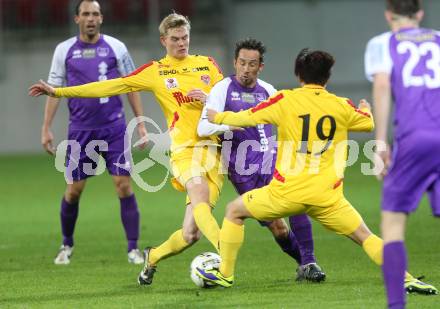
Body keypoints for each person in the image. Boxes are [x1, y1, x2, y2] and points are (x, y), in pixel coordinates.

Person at [195, 49, 436, 295]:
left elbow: (248, 117)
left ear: (299, 74)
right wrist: (366, 109)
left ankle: (225, 275)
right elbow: (367, 123)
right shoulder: (341, 105)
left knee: (234, 211)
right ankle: (406, 278)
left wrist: (218, 115)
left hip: (286, 193)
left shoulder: (285, 100)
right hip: (327, 197)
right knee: (365, 236)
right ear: (327, 77)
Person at [29, 13, 225, 285]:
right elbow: (109, 86)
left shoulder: (207, 65)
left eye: (185, 38)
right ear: (163, 40)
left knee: (190, 234)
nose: (182, 43)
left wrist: (211, 100)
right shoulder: (155, 71)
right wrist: (60, 92)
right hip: (184, 151)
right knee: (198, 193)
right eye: (175, 39)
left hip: (213, 152)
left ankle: (152, 257)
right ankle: (226, 255)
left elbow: (228, 102)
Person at [197, 38, 324, 282]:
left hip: (272, 159)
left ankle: (310, 262)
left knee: (296, 201)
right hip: (243, 170)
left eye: (252, 64)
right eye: (242, 63)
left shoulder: (268, 90)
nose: (246, 68)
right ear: (235, 63)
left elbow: (289, 119)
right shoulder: (222, 89)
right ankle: (302, 263)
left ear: (260, 67)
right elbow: (203, 126)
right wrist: (229, 125)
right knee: (277, 226)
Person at [39, 0, 147, 265]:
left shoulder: (116, 47)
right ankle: (66, 244)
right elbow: (54, 90)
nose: (91, 18)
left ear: (101, 18)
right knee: (74, 190)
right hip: (80, 130)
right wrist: (46, 128)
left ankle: (133, 248)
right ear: (77, 19)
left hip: (114, 128)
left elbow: (131, 85)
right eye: (85, 14)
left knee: (123, 185)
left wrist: (141, 123)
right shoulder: (64, 50)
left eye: (95, 14)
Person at [364, 0, 440, 307]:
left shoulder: (382, 43)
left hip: (415, 139)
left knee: (393, 225)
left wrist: (381, 143)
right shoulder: (437, 38)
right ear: (419, 14)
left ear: (388, 14)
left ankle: (397, 305)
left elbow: (382, 86)